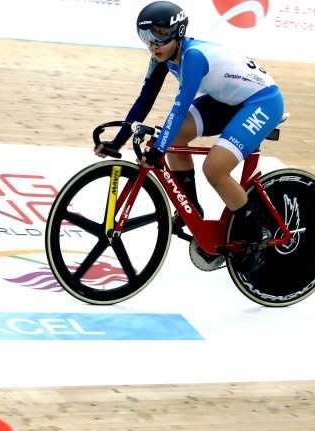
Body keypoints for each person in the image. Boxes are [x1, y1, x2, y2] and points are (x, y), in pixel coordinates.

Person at [94, 0, 284, 271]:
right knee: (174, 136)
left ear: (178, 31)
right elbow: (145, 100)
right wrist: (118, 140)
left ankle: (256, 236)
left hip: (262, 101)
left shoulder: (193, 57)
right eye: (146, 37)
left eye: (159, 35)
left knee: (215, 169)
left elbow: (180, 105)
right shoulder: (161, 58)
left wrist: (158, 149)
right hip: (227, 100)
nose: (153, 44)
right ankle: (191, 208)